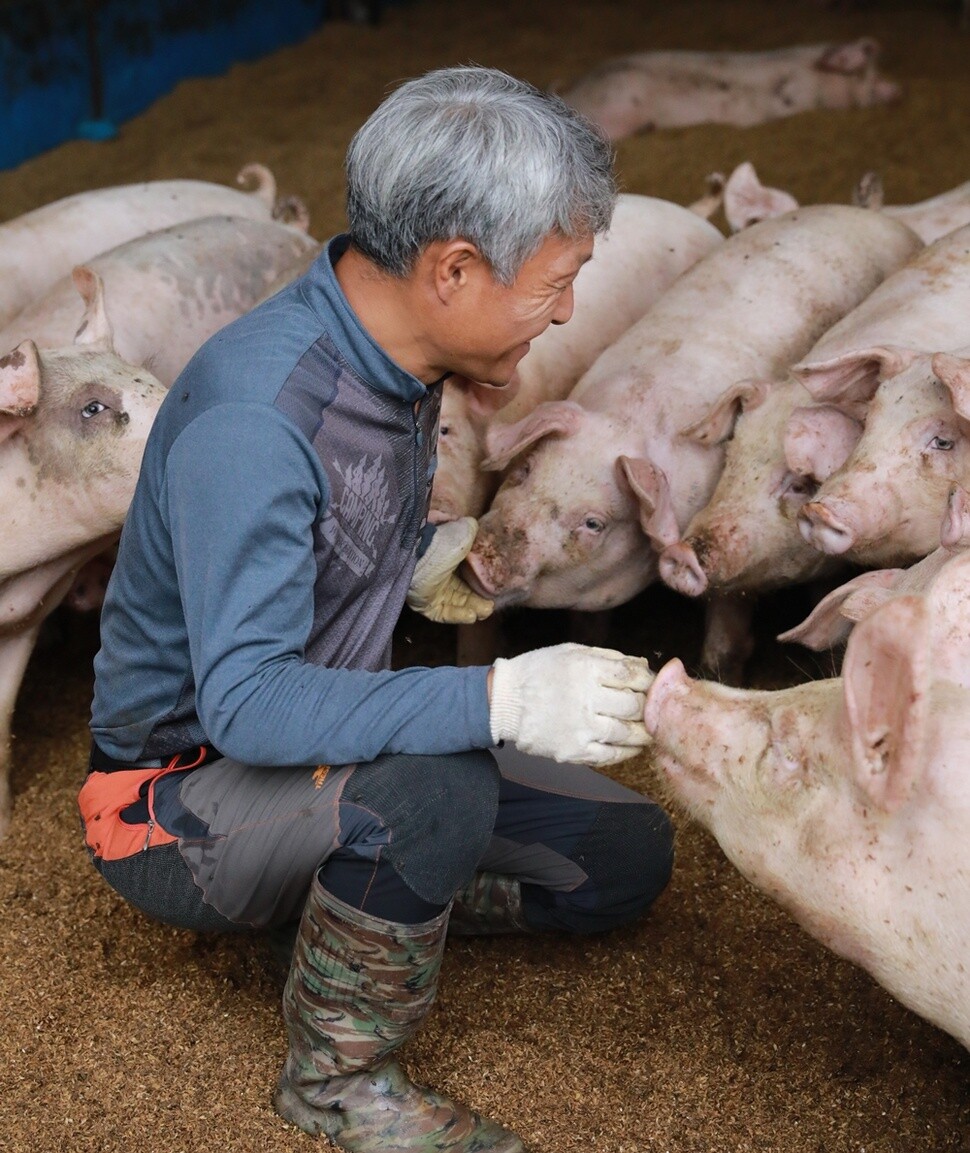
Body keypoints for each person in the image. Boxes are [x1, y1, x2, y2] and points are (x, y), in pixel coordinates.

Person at [78, 66, 674, 1153]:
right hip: (174, 802)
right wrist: (499, 692)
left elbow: (320, 538)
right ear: (452, 268)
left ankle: (336, 915)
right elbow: (249, 700)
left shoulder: (396, 352)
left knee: (622, 856)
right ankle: (336, 1082)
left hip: (306, 762)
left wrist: (416, 562)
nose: (567, 311)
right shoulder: (260, 414)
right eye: (555, 282)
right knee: (437, 779)